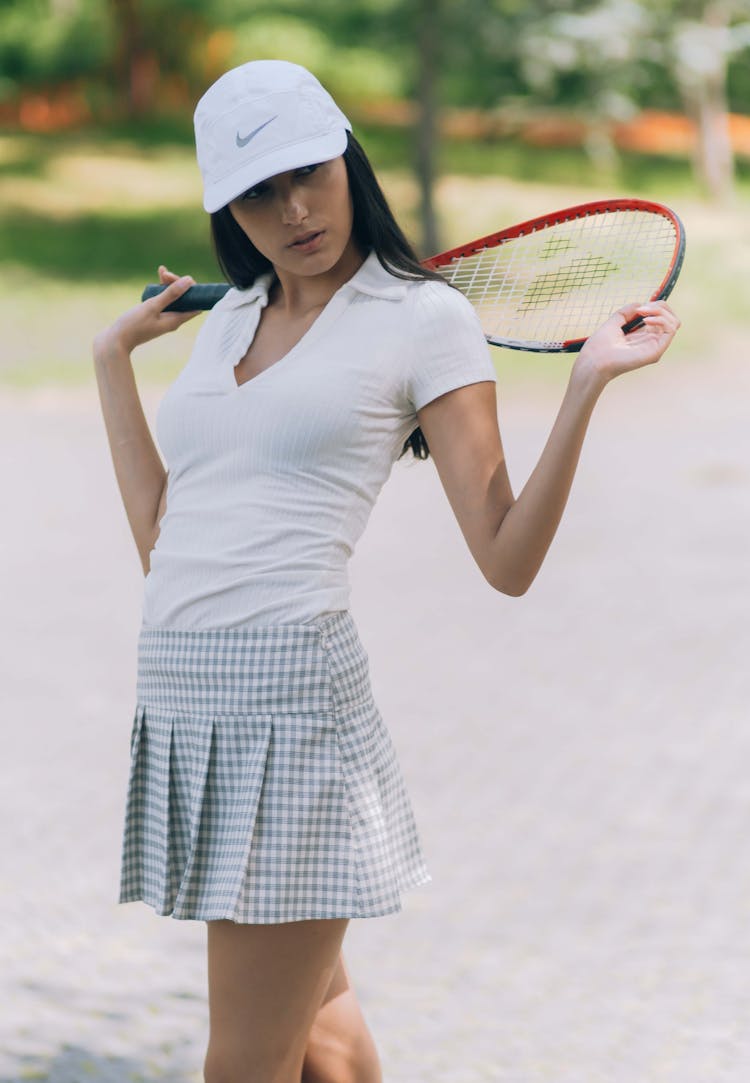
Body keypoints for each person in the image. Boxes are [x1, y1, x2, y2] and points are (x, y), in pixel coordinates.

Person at [93, 59, 680, 1083]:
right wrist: (111, 362)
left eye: (307, 175)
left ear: (348, 163)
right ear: (228, 211)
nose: (293, 211)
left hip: (291, 715)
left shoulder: (425, 320)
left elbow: (505, 557)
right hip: (189, 706)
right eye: (257, 194)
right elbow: (166, 543)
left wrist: (584, 386)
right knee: (317, 1031)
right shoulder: (230, 315)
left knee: (242, 1062)